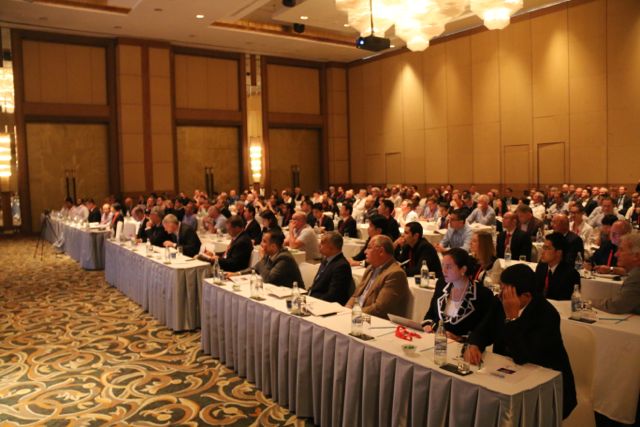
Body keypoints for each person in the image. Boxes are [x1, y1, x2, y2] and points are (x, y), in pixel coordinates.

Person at [464, 264, 577, 420]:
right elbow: (482, 331)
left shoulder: (547, 315)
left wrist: (512, 319)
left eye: (506, 292)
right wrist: (474, 345)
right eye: (501, 288)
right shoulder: (500, 302)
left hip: (545, 386)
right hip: (506, 377)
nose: (501, 295)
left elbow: (522, 356)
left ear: (526, 296)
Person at [422, 248, 495, 342]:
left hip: (463, 347)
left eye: (448, 267)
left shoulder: (482, 294)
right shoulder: (441, 284)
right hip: (437, 342)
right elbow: (430, 314)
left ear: (463, 269)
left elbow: (486, 332)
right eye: (443, 265)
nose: (443, 270)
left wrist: (459, 338)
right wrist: (428, 325)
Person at [346, 235, 410, 319]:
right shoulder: (370, 268)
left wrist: (353, 313)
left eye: (369, 248)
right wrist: (347, 308)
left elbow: (380, 309)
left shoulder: (395, 274)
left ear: (381, 251)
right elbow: (356, 295)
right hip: (358, 315)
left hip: (375, 320)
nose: (365, 251)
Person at [231, 229, 303, 288]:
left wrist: (262, 258)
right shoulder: (269, 254)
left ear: (273, 246)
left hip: (295, 296)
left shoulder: (284, 258)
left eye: (264, 241)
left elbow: (268, 279)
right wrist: (237, 274)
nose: (261, 244)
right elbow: (255, 269)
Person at [592, 233, 640, 314]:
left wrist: (588, 302)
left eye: (621, 250)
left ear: (636, 256)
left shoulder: (637, 277)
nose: (616, 254)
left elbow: (617, 306)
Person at [308, 232, 353, 305]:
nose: (319, 245)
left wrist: (313, 301)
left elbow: (333, 296)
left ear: (332, 247)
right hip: (314, 299)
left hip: (327, 305)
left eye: (322, 243)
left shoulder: (341, 266)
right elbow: (317, 286)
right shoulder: (326, 260)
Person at [534, 232, 580, 300]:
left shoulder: (571, 274)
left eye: (547, 248)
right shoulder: (542, 266)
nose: (542, 252)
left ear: (558, 253)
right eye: (543, 247)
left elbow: (565, 301)